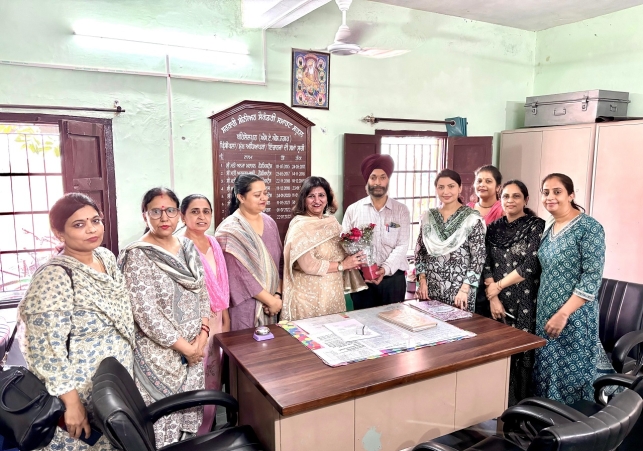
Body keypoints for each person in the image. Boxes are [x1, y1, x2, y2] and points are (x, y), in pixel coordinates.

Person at [18, 193, 135, 451]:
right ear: (59, 233)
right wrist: (71, 404)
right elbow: (46, 348)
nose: (91, 229)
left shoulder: (105, 258)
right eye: (78, 224)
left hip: (112, 384)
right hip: (77, 391)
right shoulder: (54, 277)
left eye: (95, 220)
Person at [118, 187, 210, 446]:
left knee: (189, 420)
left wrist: (201, 340)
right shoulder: (137, 254)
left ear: (179, 215)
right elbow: (146, 314)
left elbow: (203, 294)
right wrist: (186, 348)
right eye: (155, 212)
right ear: (144, 216)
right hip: (159, 357)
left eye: (170, 210)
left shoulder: (189, 247)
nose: (163, 217)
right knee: (162, 425)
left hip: (193, 352)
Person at [533, 173, 612, 405]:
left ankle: (575, 427)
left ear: (571, 195)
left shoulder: (589, 228)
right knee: (547, 369)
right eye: (546, 192)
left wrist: (564, 313)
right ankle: (546, 422)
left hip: (574, 316)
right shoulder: (550, 228)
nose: (550, 197)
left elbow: (591, 278)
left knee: (571, 372)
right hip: (545, 312)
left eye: (557, 192)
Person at [482, 180, 545, 405]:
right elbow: (486, 262)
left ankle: (520, 407)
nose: (510, 201)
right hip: (497, 302)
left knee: (522, 354)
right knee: (499, 353)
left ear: (526, 200)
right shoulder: (494, 227)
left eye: (516, 196)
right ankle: (495, 406)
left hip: (525, 298)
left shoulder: (536, 225)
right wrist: (494, 298)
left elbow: (530, 266)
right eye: (506, 196)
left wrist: (495, 288)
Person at [178, 194, 230, 435]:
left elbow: (222, 283)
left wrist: (226, 315)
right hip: (195, 322)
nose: (201, 216)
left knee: (214, 373)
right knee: (196, 375)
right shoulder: (179, 246)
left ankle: (209, 428)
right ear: (182, 215)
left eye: (206, 211)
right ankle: (194, 434)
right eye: (195, 211)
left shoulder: (213, 242)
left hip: (218, 316)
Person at [282, 177, 366, 321]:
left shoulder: (332, 222)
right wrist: (343, 265)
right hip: (309, 300)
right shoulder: (300, 227)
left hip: (333, 295)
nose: (317, 200)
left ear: (328, 198)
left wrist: (354, 259)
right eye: (311, 196)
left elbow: (341, 252)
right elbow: (308, 265)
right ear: (304, 199)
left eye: (321, 195)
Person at [214, 174, 283, 330]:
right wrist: (270, 301)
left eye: (265, 193)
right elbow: (240, 277)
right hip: (246, 308)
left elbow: (279, 264)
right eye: (257, 195)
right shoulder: (229, 231)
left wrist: (277, 296)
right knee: (246, 350)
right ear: (241, 197)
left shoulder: (270, 222)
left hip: (272, 307)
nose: (263, 198)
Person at [342, 154, 410, 309]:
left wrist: (384, 269)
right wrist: (361, 264)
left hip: (394, 280)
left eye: (383, 177)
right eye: (373, 177)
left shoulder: (401, 210)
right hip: (363, 280)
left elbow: (402, 245)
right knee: (365, 327)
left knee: (394, 326)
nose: (378, 182)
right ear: (367, 180)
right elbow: (345, 243)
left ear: (388, 180)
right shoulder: (353, 210)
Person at [415, 169, 486, 311]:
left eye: (451, 186)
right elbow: (420, 251)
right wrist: (422, 281)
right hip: (430, 290)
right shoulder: (428, 217)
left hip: (460, 291)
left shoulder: (471, 219)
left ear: (460, 188)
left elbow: (478, 257)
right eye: (441, 187)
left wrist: (466, 289)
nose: (445, 191)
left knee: (459, 330)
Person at [468, 165, 503, 317]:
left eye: (488, 181)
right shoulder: (467, 210)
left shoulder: (502, 209)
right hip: (470, 273)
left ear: (498, 187)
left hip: (496, 273)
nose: (482, 184)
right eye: (479, 180)